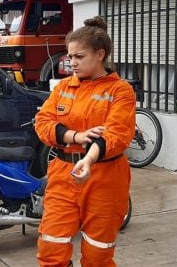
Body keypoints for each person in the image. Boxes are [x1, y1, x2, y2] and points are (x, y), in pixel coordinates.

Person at [34, 16, 136, 267]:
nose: (72, 62)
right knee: (51, 250)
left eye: (79, 56)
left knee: (97, 256)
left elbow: (117, 133)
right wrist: (75, 136)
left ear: (100, 54)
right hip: (62, 175)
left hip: (104, 178)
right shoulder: (63, 88)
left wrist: (89, 158)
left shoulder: (120, 91)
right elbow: (42, 123)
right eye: (70, 56)